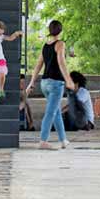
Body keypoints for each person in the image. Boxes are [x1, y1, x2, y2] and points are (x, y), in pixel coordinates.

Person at [26, 20, 76, 150]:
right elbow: (61, 63)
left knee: (56, 111)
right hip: (55, 84)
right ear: (60, 31)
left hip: (44, 83)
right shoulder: (60, 44)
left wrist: (31, 83)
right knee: (51, 112)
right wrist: (69, 80)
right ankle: (43, 141)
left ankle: (63, 140)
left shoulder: (45, 45)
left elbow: (38, 65)